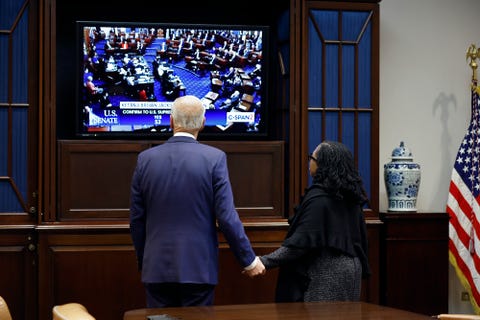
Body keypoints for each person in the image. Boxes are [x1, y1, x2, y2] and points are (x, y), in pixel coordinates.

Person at [129, 95, 266, 308]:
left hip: (156, 268)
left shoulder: (146, 159)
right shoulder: (214, 159)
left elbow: (137, 220)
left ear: (171, 121)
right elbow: (227, 217)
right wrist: (248, 260)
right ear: (203, 123)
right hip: (198, 269)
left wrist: (144, 259)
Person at [259, 140, 371, 302]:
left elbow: (299, 245)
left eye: (311, 157)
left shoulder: (319, 198)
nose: (309, 162)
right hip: (352, 272)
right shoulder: (352, 196)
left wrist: (264, 261)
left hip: (326, 273)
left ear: (321, 165)